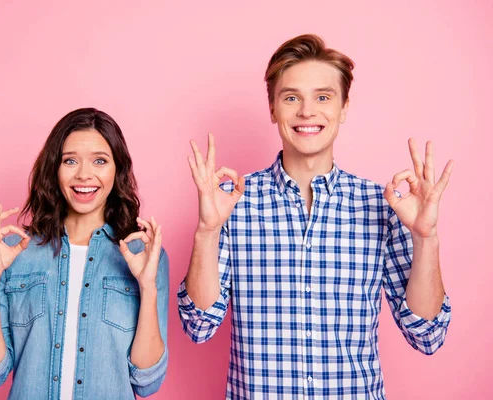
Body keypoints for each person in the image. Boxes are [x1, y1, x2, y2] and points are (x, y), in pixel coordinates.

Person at [178, 34, 453, 399]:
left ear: (344, 108)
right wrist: (208, 230)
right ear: (273, 108)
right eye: (291, 97)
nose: (307, 111)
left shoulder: (382, 205)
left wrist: (425, 237)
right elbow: (199, 326)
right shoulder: (232, 203)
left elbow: (427, 334)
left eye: (323, 97)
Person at [0, 108, 169, 399]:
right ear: (55, 169)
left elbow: (146, 381)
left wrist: (147, 287)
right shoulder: (18, 254)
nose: (84, 174)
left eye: (100, 161)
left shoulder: (146, 256)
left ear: (118, 169)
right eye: (70, 160)